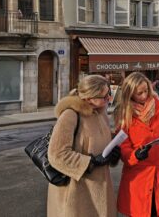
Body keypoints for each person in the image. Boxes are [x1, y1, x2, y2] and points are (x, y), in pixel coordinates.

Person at [114, 72, 159, 217]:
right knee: (141, 212)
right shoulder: (124, 113)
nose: (143, 96)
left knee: (158, 211)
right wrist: (135, 155)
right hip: (138, 175)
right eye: (139, 93)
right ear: (129, 94)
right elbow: (123, 146)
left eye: (146, 91)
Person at [47, 75, 121, 217]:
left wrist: (113, 153)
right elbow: (57, 154)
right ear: (89, 97)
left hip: (100, 188)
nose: (108, 99)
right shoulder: (70, 115)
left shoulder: (100, 112)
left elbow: (101, 140)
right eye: (104, 96)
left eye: (109, 94)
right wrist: (90, 162)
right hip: (77, 193)